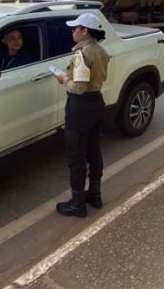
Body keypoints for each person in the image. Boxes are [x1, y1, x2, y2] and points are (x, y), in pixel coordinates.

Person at [52, 13, 110, 218]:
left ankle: (77, 204)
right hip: (96, 103)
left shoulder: (82, 54)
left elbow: (78, 88)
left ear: (85, 31)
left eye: (75, 28)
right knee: (94, 152)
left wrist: (62, 78)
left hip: (80, 107)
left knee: (76, 157)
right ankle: (95, 195)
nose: (72, 31)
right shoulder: (100, 50)